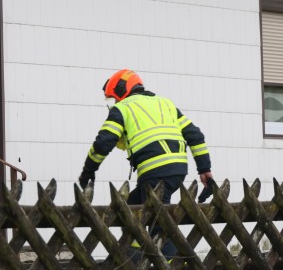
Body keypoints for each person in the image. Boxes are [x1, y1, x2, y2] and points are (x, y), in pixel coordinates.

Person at [78, 69, 213, 256]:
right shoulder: (166, 104)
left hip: (154, 170)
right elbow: (195, 135)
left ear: (121, 91)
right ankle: (135, 257)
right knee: (132, 209)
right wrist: (204, 169)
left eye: (113, 98)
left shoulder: (123, 108)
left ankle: (170, 269)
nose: (114, 103)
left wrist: (88, 171)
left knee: (159, 223)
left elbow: (103, 143)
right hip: (177, 171)